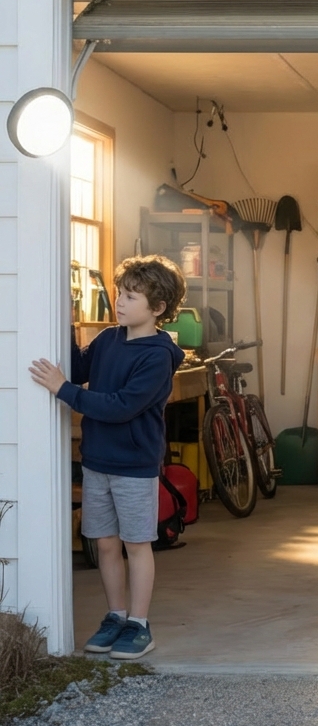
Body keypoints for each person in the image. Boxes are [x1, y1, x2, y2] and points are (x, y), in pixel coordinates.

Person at [30, 255, 186, 660]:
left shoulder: (156, 357)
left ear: (157, 308)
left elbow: (119, 406)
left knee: (137, 546)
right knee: (104, 544)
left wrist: (63, 390)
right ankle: (116, 616)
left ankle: (139, 624)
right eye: (120, 293)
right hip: (98, 460)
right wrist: (60, 317)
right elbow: (79, 365)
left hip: (134, 467)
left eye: (131, 297)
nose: (119, 302)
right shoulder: (108, 339)